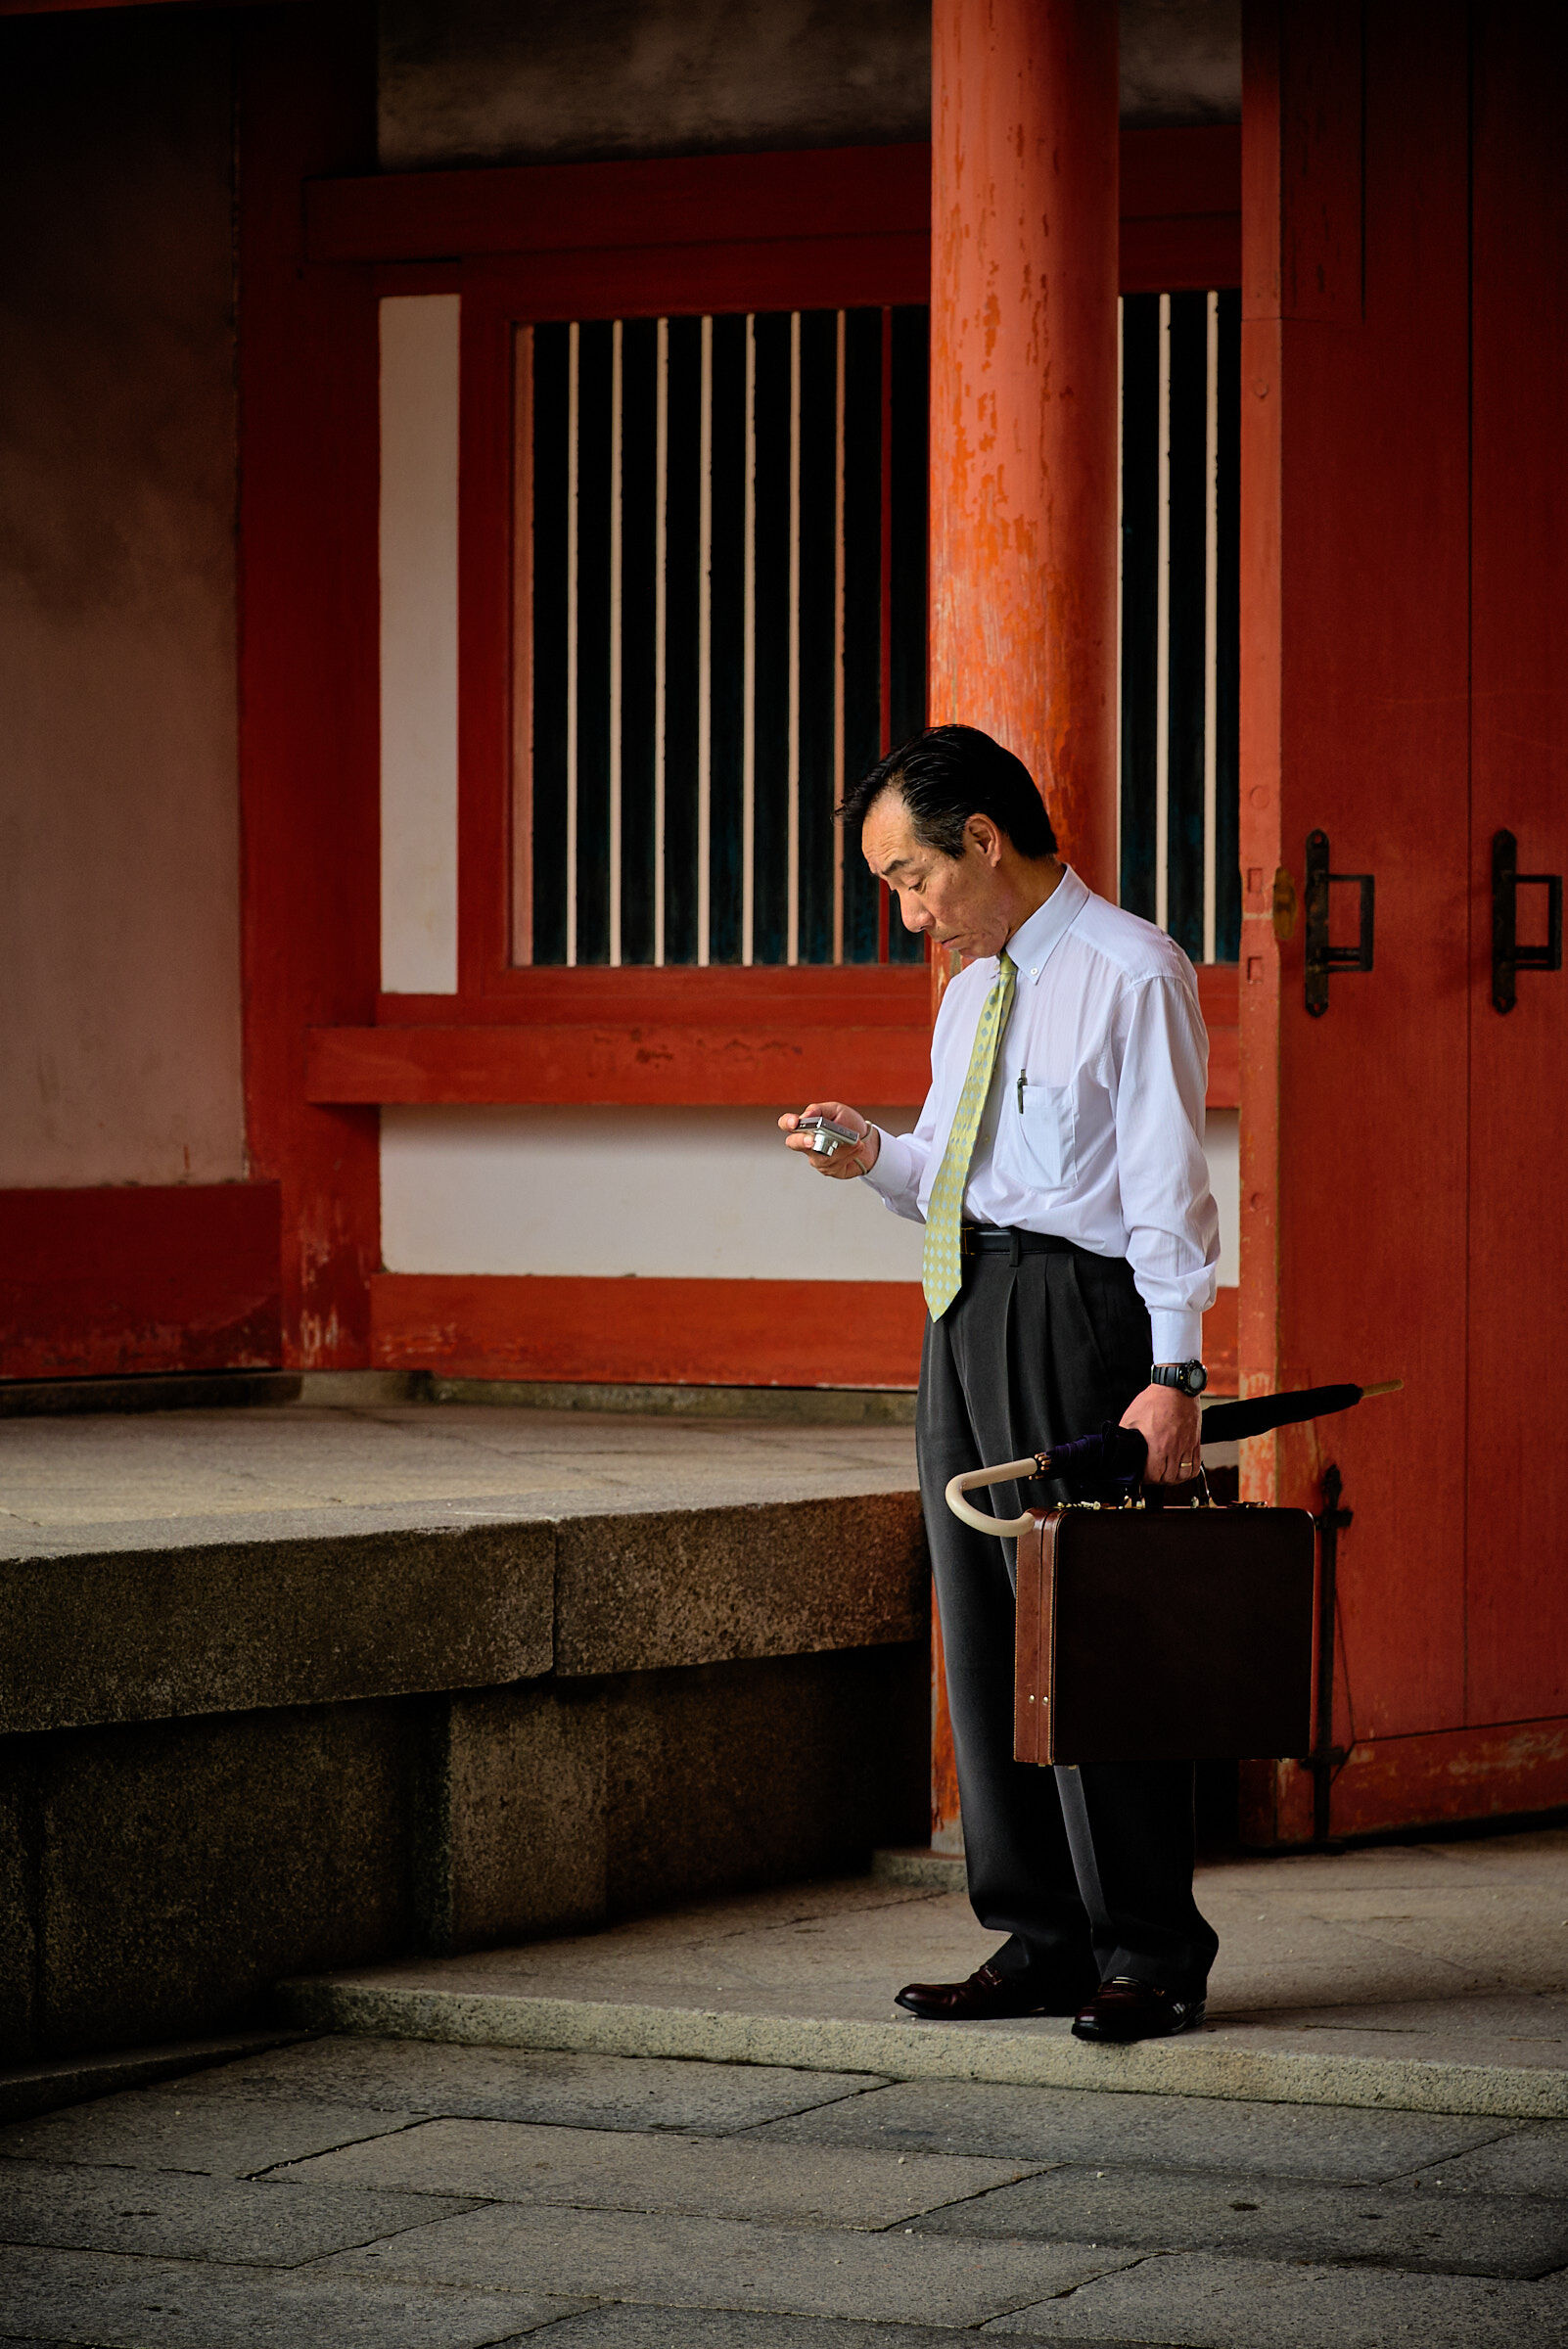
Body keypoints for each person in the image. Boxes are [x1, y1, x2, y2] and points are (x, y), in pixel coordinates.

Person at [781, 724, 1222, 2045]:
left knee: (1090, 1630)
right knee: (982, 1633)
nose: (911, 913)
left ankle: (1149, 1950)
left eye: (913, 878)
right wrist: (870, 1154)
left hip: (1078, 1316)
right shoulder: (972, 991)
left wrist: (1174, 1372)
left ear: (982, 839)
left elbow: (1166, 1190)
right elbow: (952, 1169)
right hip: (961, 1302)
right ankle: (1039, 1937)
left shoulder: (1131, 970)